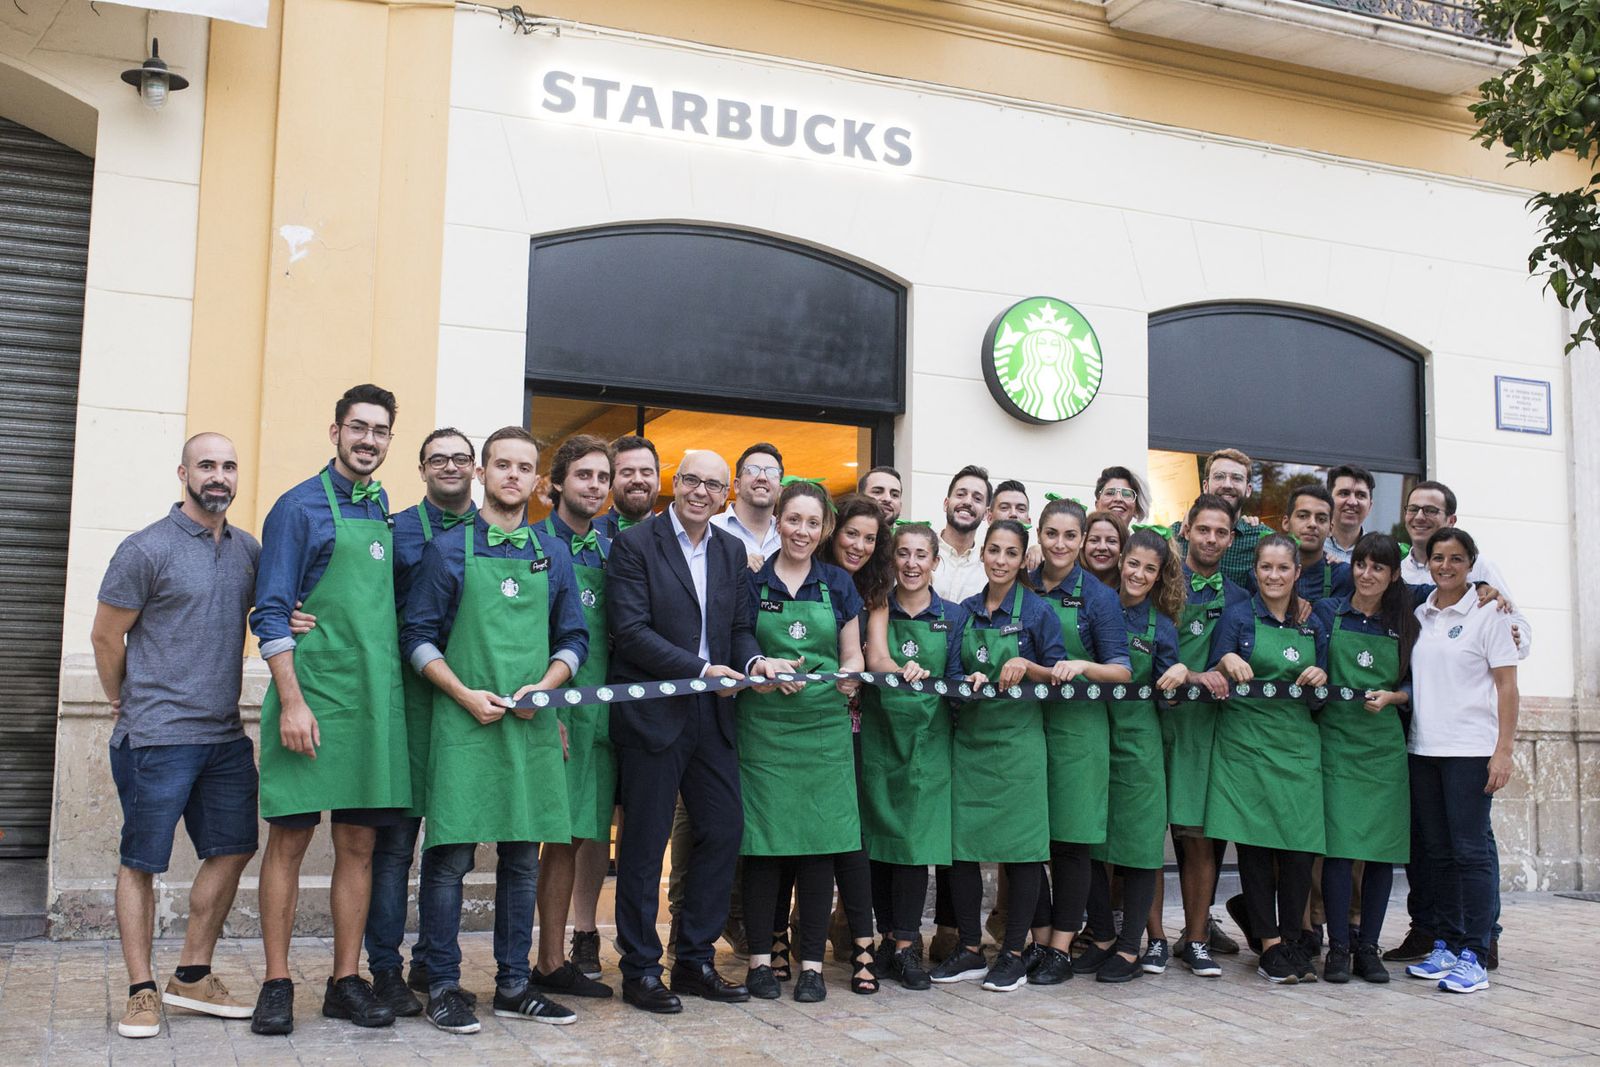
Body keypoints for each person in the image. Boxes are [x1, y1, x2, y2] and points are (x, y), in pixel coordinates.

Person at [400, 426, 588, 1032]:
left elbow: (574, 638)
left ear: (538, 480)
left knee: (522, 860)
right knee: (450, 856)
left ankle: (513, 984)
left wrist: (549, 685)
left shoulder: (552, 553)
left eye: (524, 467)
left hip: (531, 726)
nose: (513, 475)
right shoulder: (448, 549)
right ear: (482, 474)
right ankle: (445, 984)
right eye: (501, 465)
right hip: (463, 721)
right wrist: (461, 692)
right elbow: (417, 637)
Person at [248, 383, 411, 1035]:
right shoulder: (298, 506)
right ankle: (277, 981)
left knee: (359, 845)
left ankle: (345, 979)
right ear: (335, 430)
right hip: (309, 698)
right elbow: (269, 611)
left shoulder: (382, 507)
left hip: (371, 705)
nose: (368, 439)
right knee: (288, 841)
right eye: (357, 427)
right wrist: (291, 700)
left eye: (379, 430)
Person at [93, 433, 261, 1039]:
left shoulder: (246, 549)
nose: (219, 475)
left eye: (229, 466)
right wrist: (121, 700)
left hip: (223, 733)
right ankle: (141, 990)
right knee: (141, 862)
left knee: (235, 847)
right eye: (207, 465)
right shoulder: (145, 549)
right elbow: (106, 637)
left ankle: (191, 975)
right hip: (156, 735)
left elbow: (268, 611)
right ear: (183, 472)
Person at [607, 449, 759, 1014]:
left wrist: (755, 664)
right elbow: (630, 631)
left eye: (713, 485)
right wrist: (699, 670)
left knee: (723, 829)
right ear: (675, 483)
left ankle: (693, 960)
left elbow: (740, 628)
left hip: (713, 712)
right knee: (644, 847)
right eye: (691, 480)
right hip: (654, 712)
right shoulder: (635, 545)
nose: (700, 491)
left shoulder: (731, 550)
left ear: (727, 495)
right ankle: (641, 969)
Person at [738, 481, 873, 1003]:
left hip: (823, 731)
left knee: (820, 850)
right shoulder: (752, 582)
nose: (802, 531)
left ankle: (812, 966)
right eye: (793, 520)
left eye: (812, 523)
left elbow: (853, 652)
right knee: (764, 850)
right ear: (778, 521)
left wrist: (851, 673)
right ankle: (759, 964)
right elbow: (741, 640)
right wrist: (762, 665)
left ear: (824, 530)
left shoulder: (838, 584)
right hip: (766, 732)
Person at [1386, 480, 1527, 967]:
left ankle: (1477, 944)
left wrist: (1503, 749)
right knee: (1439, 852)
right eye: (1438, 560)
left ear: (1471, 564)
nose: (1445, 566)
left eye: (1456, 560)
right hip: (1423, 749)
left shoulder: (1489, 609)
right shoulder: (1423, 612)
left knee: (1470, 851)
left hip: (1470, 750)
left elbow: (1508, 685)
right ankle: (1445, 942)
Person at [363, 427, 476, 1016]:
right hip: (407, 705)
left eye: (461, 458)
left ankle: (434, 961)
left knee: (454, 846)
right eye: (440, 459)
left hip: (471, 710)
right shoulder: (396, 530)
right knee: (395, 846)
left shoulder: (501, 537)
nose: (450, 467)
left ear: (476, 468)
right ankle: (384, 968)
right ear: (422, 468)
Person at [932, 520, 1066, 993]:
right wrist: (962, 686)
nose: (1001, 560)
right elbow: (949, 674)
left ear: (1022, 557)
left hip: (1020, 746)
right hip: (970, 745)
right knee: (961, 850)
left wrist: (1029, 667)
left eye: (1011, 553)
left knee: (1024, 852)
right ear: (984, 554)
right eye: (994, 551)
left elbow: (1060, 676)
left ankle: (1012, 953)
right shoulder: (964, 613)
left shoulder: (1038, 613)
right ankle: (970, 948)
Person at [1205, 534, 1330, 984]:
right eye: (1265, 568)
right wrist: (1226, 660)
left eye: (1283, 568)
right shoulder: (1238, 616)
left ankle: (1294, 937)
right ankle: (1270, 946)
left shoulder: (1313, 623)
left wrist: (1320, 679)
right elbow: (1215, 665)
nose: (1274, 576)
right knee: (1255, 848)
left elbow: (1322, 701)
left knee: (1299, 849)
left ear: (1297, 572)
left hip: (1297, 749)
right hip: (1247, 747)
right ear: (1254, 572)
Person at [1022, 498, 1131, 985]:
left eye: (1071, 536)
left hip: (1079, 731)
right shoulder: (1023, 587)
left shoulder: (1099, 597)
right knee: (1027, 839)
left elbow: (1123, 671)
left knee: (1070, 842)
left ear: (1083, 541)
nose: (1061, 544)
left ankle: (1062, 948)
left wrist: (1084, 666)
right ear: (1038, 536)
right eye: (1052, 534)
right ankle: (1041, 939)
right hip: (1026, 727)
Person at [530, 434, 618, 1000]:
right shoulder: (531, 543)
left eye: (602, 478)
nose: (595, 486)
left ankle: (553, 961)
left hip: (602, 717)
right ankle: (529, 961)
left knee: (578, 839)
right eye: (584, 475)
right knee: (536, 841)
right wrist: (545, 706)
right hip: (549, 712)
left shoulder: (614, 551)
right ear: (557, 482)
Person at [862, 522, 965, 990]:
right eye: (902, 553)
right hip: (882, 739)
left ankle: (907, 946)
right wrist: (900, 669)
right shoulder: (877, 607)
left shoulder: (954, 617)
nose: (911, 563)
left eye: (921, 555)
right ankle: (887, 940)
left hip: (929, 745)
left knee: (914, 847)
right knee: (880, 844)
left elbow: (961, 675)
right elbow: (874, 659)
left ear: (935, 563)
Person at [1080, 527, 1183, 982]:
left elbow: (1169, 696)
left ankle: (1128, 949)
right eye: (1134, 563)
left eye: (1150, 568)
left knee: (1140, 848)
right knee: (1087, 839)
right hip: (1093, 735)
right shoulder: (1094, 606)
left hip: (1140, 744)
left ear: (1160, 575)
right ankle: (1101, 934)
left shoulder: (1162, 625)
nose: (1139, 574)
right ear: (1120, 561)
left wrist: (1180, 673)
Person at [1313, 533, 1416, 984]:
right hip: (1337, 743)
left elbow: (1423, 681)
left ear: (1394, 575)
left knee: (1379, 855)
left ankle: (1368, 947)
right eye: (1360, 564)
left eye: (1378, 567)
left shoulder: (1408, 621)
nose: (1366, 574)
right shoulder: (1328, 613)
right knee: (1338, 853)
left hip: (1383, 749)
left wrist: (1396, 695)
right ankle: (1338, 948)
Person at [1158, 495, 1244, 975]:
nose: (1211, 538)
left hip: (1208, 731)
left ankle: (1195, 938)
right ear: (1186, 529)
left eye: (1221, 532)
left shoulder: (1238, 597)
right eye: (1203, 529)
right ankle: (1149, 937)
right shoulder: (1163, 585)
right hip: (1157, 721)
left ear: (1231, 539)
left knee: (1197, 839)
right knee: (1147, 837)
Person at [818, 494, 894, 963]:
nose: (859, 546)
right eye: (852, 533)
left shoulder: (875, 589)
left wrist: (901, 669)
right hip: (797, 722)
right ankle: (796, 929)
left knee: (854, 832)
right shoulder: (806, 575)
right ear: (833, 531)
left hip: (855, 725)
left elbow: (877, 654)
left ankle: (853, 933)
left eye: (870, 538)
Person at [1177, 448, 1266, 587]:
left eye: (1236, 478)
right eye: (1219, 476)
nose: (1227, 485)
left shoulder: (1262, 540)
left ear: (1248, 490)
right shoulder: (1177, 534)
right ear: (1205, 486)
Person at [1258, 484, 1353, 602]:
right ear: (1286, 523)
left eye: (1321, 519)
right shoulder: (1261, 574)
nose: (1312, 524)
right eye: (1303, 516)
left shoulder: (1343, 577)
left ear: (1330, 529)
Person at [711, 442, 784, 569]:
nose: (762, 477)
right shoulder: (710, 528)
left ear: (780, 490)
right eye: (752, 470)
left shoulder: (788, 535)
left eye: (772, 472)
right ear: (737, 485)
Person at [932, 465, 991, 604]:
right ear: (946, 504)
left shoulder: (989, 565)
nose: (967, 502)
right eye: (960, 494)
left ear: (986, 514)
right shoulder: (920, 554)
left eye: (977, 498)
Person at [594, 434, 660, 539]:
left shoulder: (675, 537)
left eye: (646, 473)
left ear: (658, 482)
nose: (638, 480)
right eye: (627, 473)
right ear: (610, 482)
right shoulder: (588, 535)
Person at [1324, 465, 1374, 564]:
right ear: (1328, 501)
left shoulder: (1380, 552)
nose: (1352, 502)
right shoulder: (1311, 549)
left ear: (1370, 506)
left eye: (1361, 495)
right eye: (1344, 493)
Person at [1080, 509, 1127, 590]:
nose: (1102, 547)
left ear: (1122, 547)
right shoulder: (1065, 580)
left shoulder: (1131, 589)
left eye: (1111, 541)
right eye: (1094, 540)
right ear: (1082, 544)